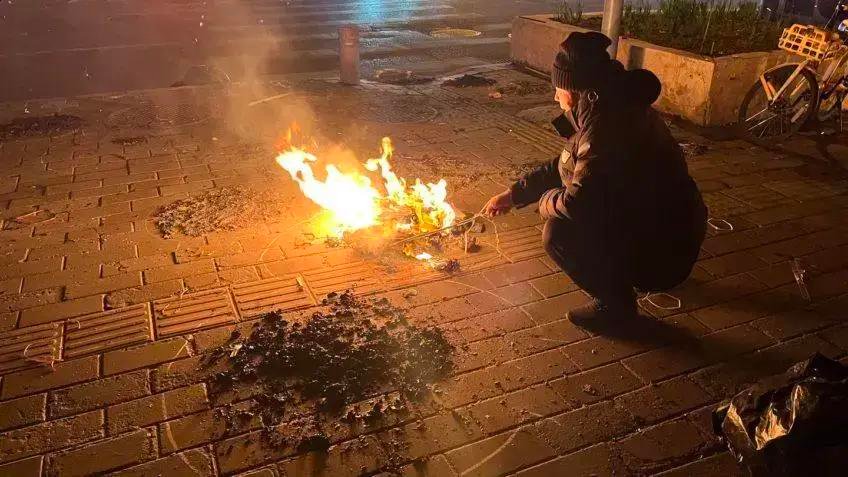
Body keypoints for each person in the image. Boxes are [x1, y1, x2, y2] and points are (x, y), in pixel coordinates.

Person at [484, 32, 707, 323]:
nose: (555, 96)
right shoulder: (606, 108)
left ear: (574, 90)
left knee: (558, 234)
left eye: (558, 89)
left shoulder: (605, 127)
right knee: (575, 215)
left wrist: (545, 202)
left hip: (664, 254)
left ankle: (616, 307)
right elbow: (565, 166)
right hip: (668, 236)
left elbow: (578, 204)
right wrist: (514, 194)